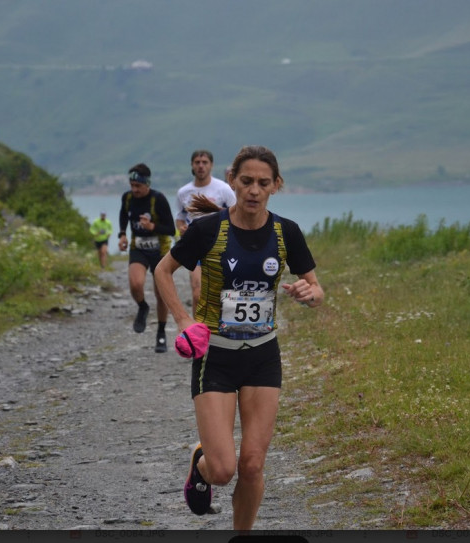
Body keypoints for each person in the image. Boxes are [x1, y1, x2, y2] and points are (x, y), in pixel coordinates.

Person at [154, 145, 324, 530]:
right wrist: (182, 320)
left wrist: (309, 293)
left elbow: (316, 289)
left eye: (264, 183)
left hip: (263, 356)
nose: (254, 190)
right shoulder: (207, 230)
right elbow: (163, 271)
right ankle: (201, 465)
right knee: (223, 469)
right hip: (214, 356)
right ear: (231, 180)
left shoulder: (286, 233)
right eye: (246, 181)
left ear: (276, 186)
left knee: (252, 465)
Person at [118, 163, 176, 353]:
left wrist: (153, 227)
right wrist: (122, 235)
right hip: (139, 247)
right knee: (135, 283)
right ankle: (142, 307)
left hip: (159, 249)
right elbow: (123, 216)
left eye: (138, 186)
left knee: (161, 293)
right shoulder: (127, 198)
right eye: (132, 185)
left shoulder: (158, 199)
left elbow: (170, 229)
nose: (134, 190)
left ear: (147, 184)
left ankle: (161, 333)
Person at [174, 150, 236, 315]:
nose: (201, 166)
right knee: (197, 293)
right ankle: (198, 334)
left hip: (221, 245)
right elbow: (180, 217)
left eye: (204, 162)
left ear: (211, 165)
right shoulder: (183, 192)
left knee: (223, 291)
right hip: (196, 246)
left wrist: (215, 210)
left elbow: (237, 214)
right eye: (197, 162)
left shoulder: (223, 189)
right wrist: (182, 229)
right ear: (192, 165)